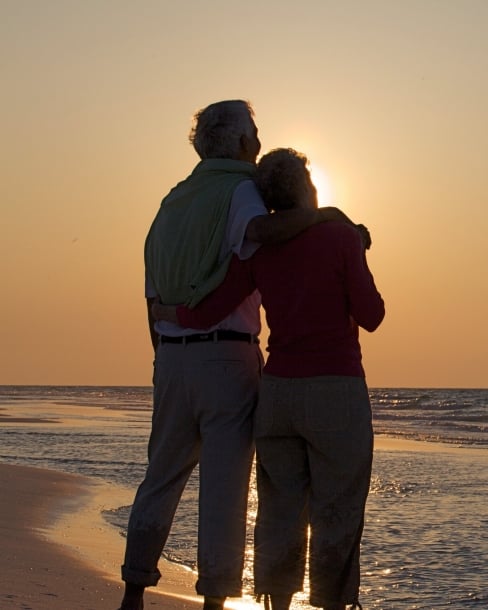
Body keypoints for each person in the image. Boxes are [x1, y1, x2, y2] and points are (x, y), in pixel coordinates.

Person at [122, 101, 347, 610]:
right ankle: (215, 601)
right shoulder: (242, 190)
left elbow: (150, 288)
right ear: (242, 143)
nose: (260, 142)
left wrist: (163, 356)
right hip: (226, 355)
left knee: (160, 477)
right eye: (256, 133)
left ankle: (133, 591)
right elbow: (262, 234)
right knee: (223, 492)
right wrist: (324, 216)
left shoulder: (172, 200)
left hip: (171, 356)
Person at [153, 148, 385, 610]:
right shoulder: (340, 237)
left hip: (277, 391)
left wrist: (168, 312)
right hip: (335, 388)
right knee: (336, 507)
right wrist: (356, 250)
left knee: (279, 509)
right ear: (306, 187)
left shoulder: (260, 249)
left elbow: (211, 309)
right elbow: (372, 315)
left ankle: (277, 604)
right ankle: (333, 603)